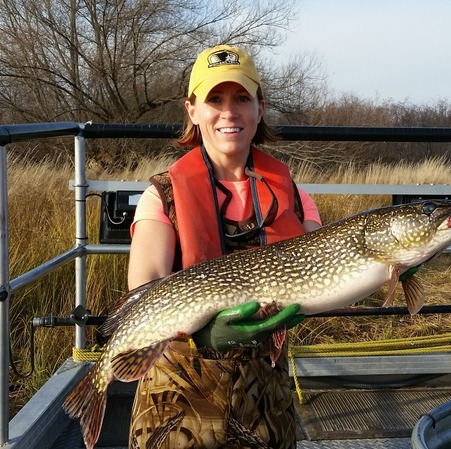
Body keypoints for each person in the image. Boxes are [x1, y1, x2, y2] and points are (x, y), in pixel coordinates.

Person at [126, 44, 322, 449]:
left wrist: (389, 263)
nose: (229, 112)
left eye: (241, 99)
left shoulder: (297, 199)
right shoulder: (162, 196)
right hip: (177, 407)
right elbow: (143, 290)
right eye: (214, 99)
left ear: (260, 109)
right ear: (192, 110)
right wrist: (207, 334)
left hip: (265, 403)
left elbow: (318, 280)